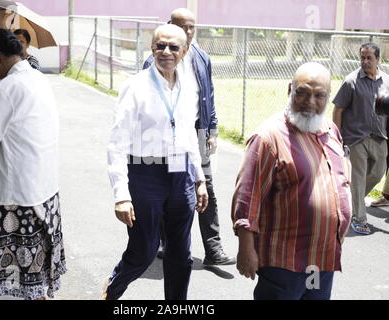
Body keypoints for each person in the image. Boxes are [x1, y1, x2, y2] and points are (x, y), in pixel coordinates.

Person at [104, 24, 208, 300]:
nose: (166, 52)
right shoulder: (135, 86)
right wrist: (121, 196)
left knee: (180, 254)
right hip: (145, 174)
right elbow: (117, 143)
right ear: (151, 48)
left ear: (185, 51)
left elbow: (188, 134)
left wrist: (199, 179)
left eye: (174, 47)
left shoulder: (189, 87)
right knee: (144, 251)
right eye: (160, 46)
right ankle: (111, 291)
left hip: (180, 173)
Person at [231, 62, 352, 300]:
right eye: (302, 92)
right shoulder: (268, 138)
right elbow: (247, 198)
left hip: (320, 261)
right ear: (290, 90)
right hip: (284, 263)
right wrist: (246, 249)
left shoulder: (330, 130)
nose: (310, 102)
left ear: (328, 97)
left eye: (319, 95)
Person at [0, 29, 66, 300]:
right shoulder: (38, 77)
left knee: (4, 250)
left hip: (12, 189)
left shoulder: (6, 88)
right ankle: (38, 293)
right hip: (42, 182)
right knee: (33, 248)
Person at [143, 8, 235, 266]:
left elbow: (210, 95)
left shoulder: (201, 57)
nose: (188, 32)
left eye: (192, 27)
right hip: (173, 138)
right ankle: (168, 243)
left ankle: (213, 250)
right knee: (176, 189)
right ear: (170, 25)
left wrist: (212, 130)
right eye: (183, 26)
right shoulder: (156, 61)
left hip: (199, 134)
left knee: (208, 189)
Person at [333, 42, 389, 235]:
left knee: (378, 172)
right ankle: (358, 218)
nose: (365, 61)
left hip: (380, 137)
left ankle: (346, 201)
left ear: (378, 59)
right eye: (362, 58)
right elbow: (338, 109)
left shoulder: (387, 81)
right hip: (356, 137)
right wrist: (337, 135)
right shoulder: (351, 81)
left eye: (369, 58)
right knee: (357, 178)